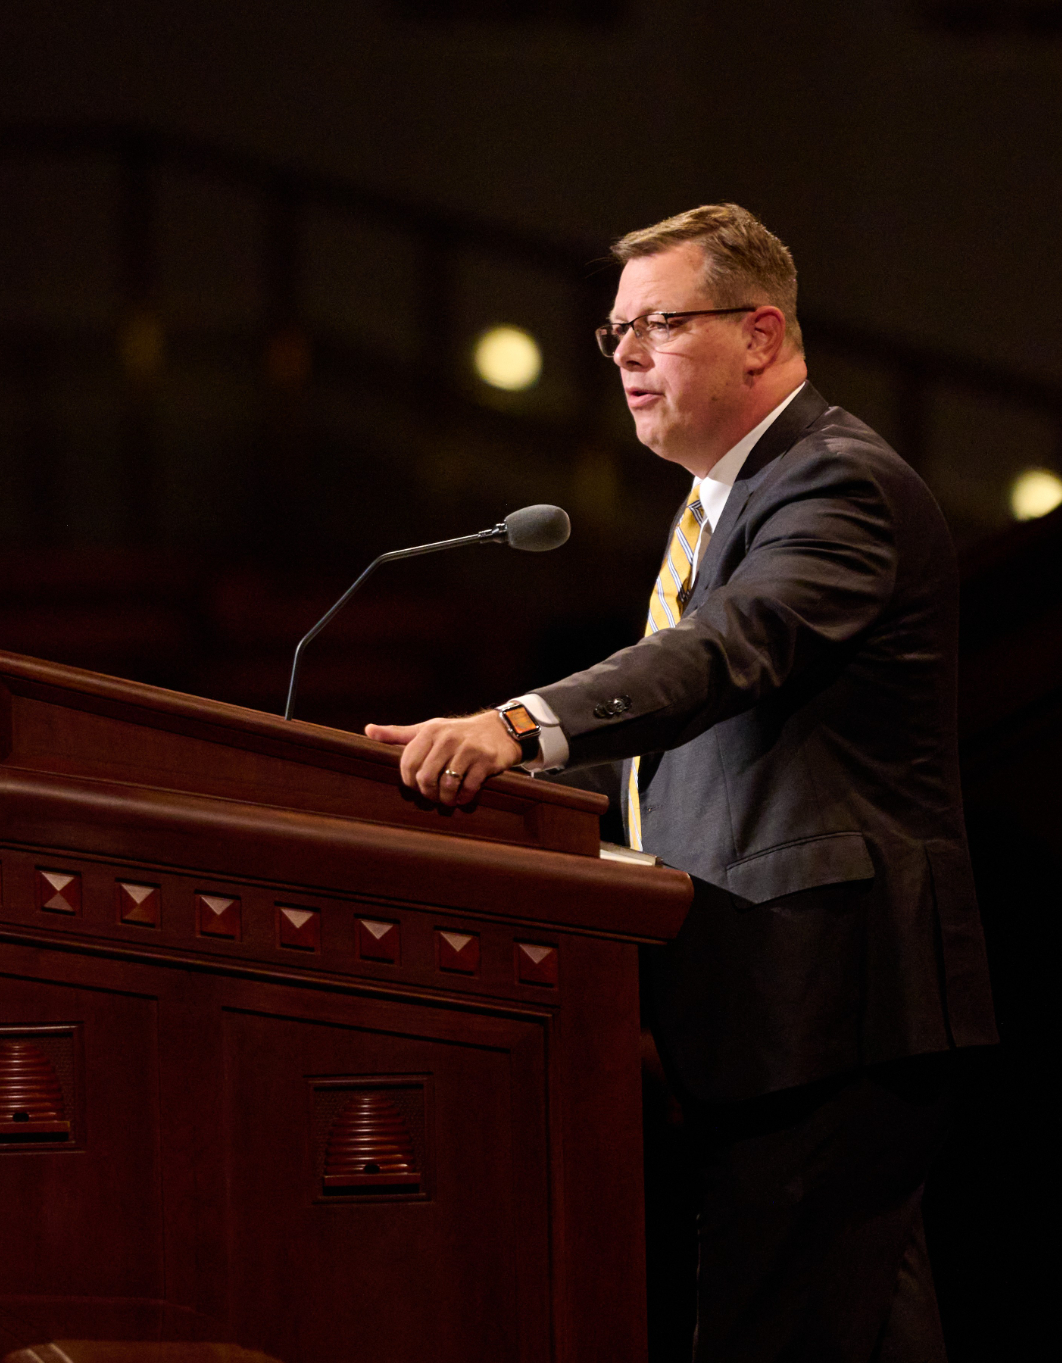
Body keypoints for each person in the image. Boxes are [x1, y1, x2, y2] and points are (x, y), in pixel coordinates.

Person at [366, 203, 995, 1362]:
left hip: (826, 995)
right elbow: (674, 747)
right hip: (777, 1005)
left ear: (759, 335)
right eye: (615, 333)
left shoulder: (834, 482)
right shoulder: (721, 503)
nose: (627, 356)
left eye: (659, 324)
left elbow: (726, 650)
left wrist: (518, 725)